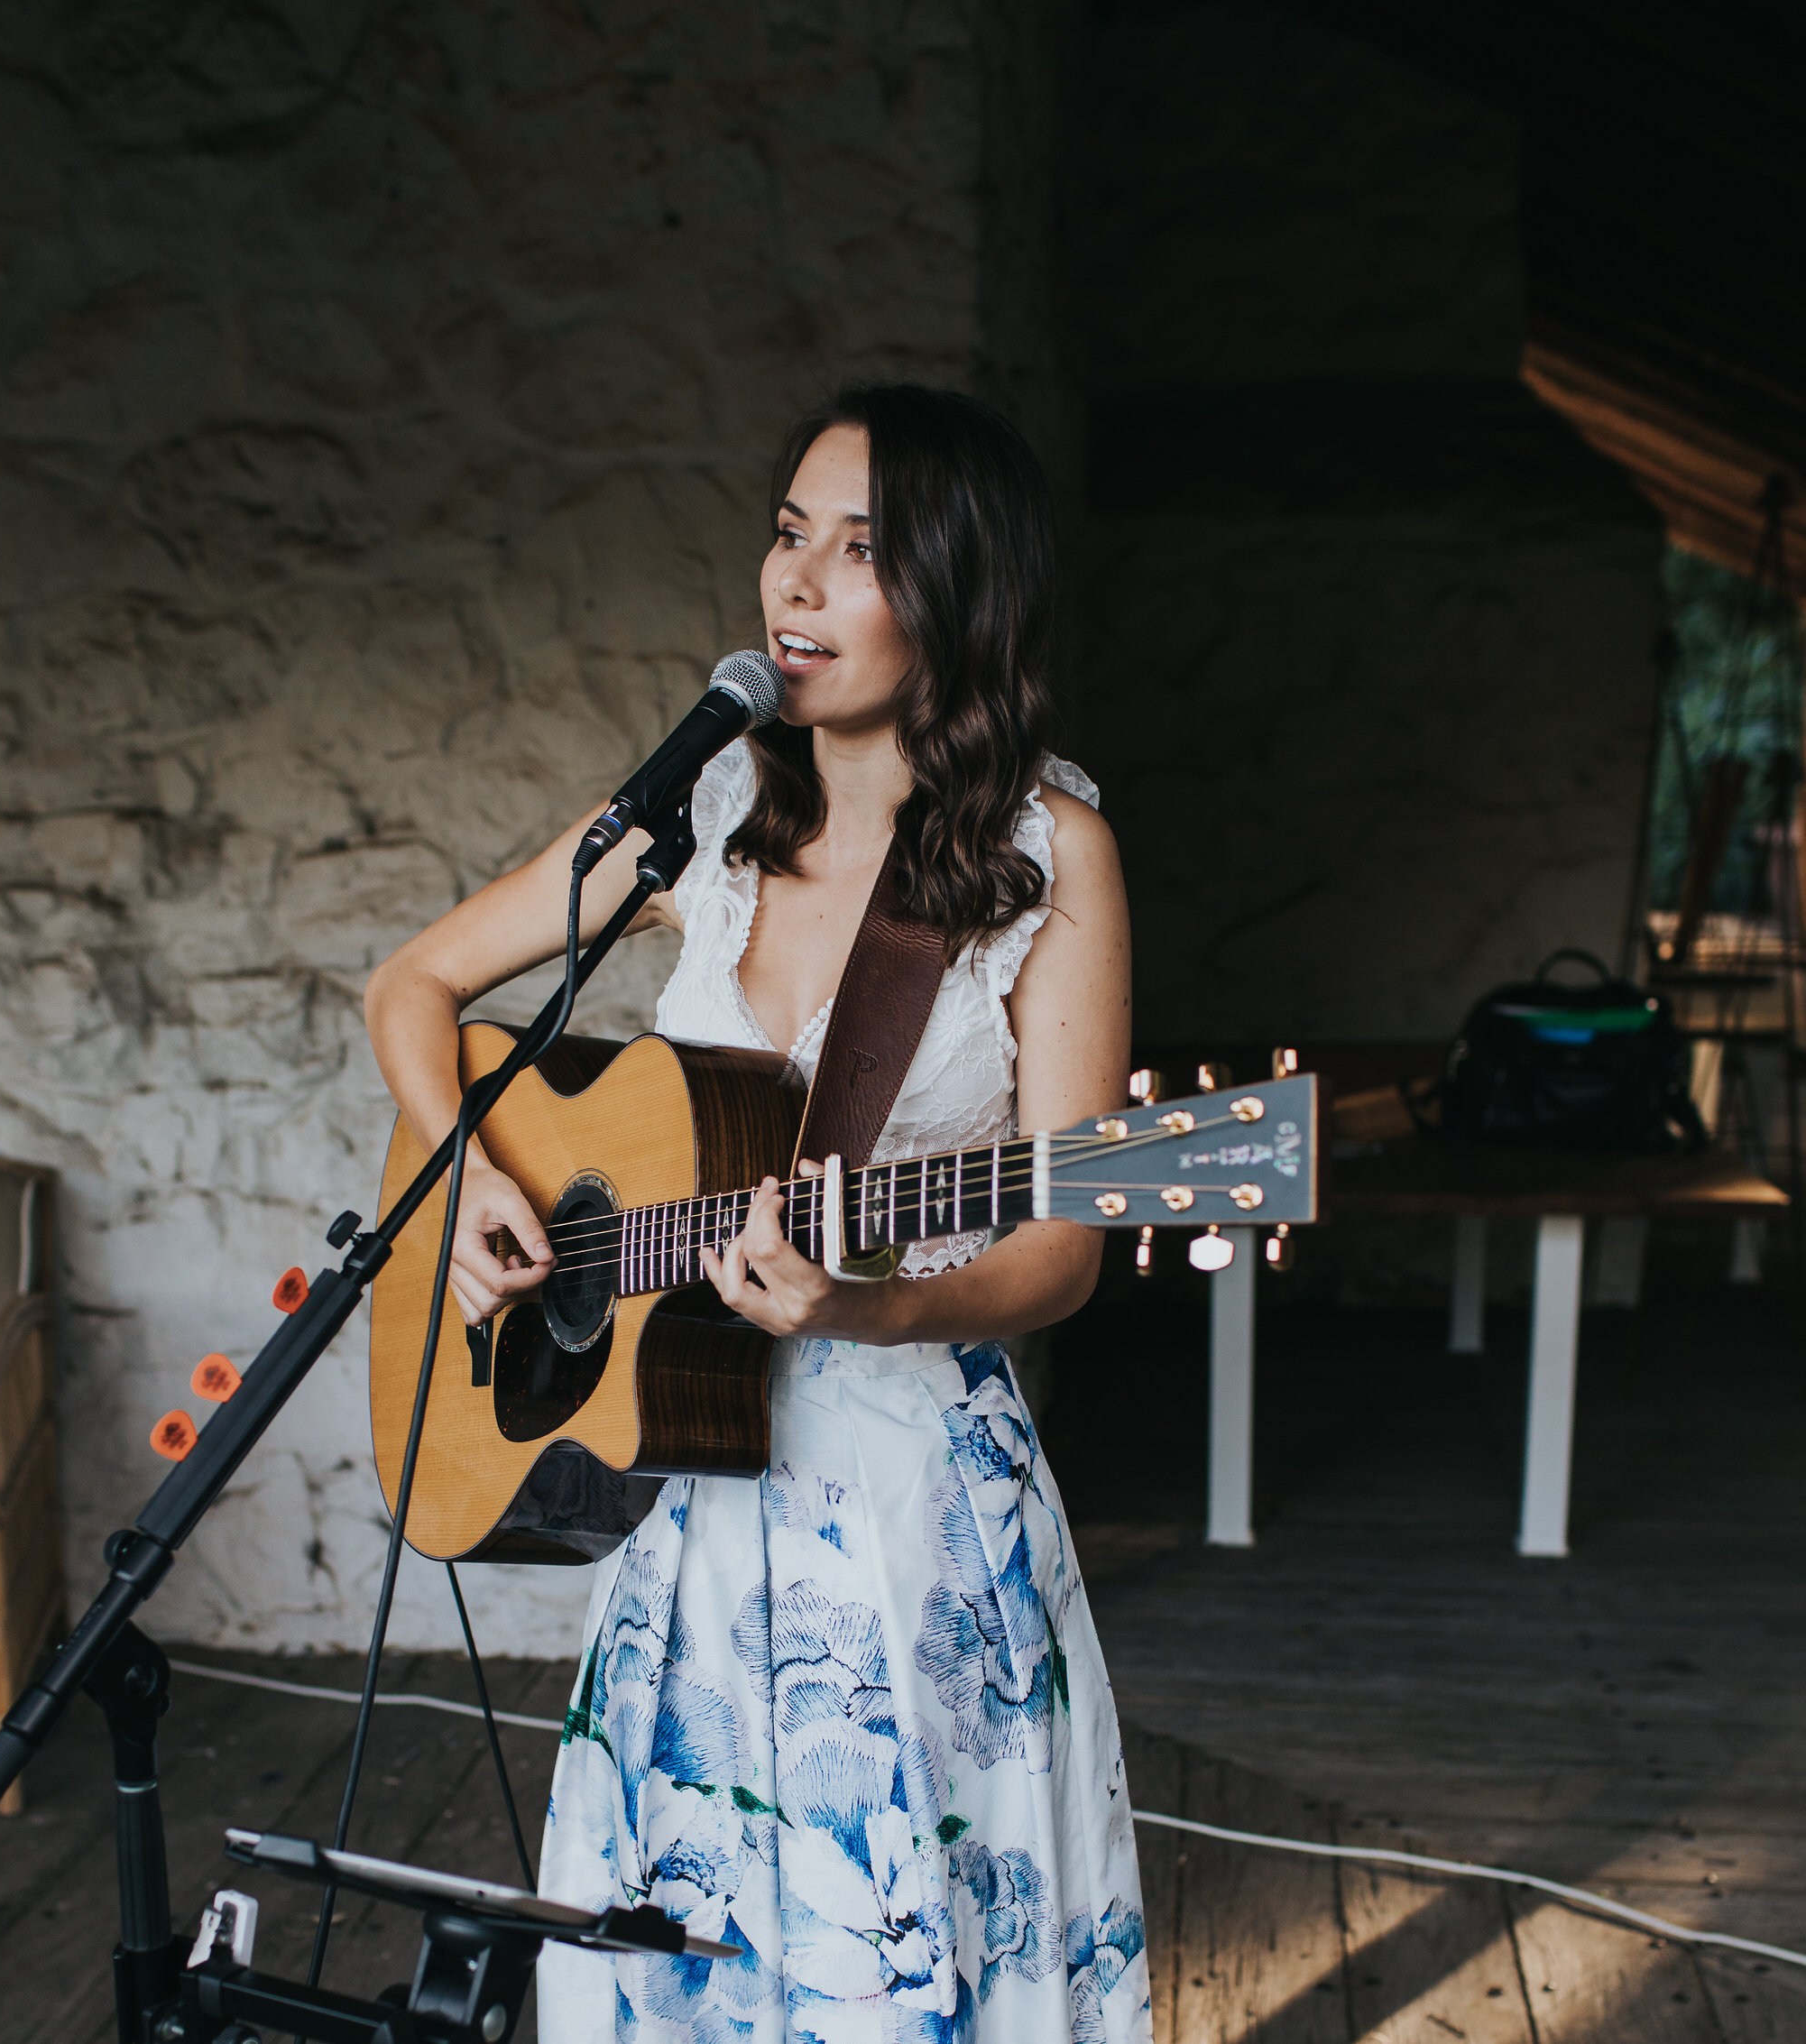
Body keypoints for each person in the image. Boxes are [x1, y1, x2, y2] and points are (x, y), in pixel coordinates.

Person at [364, 383, 1150, 2043]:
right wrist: (478, 1171)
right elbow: (414, 984)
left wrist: (867, 1303)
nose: (796, 581)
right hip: (692, 1498)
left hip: (912, 1507)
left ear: (959, 590)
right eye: (790, 532)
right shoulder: (705, 817)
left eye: (860, 548)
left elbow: (1065, 1245)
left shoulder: (1046, 852)